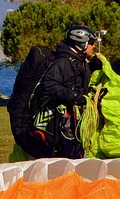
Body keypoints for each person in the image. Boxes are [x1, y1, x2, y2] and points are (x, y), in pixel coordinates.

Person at [34, 24, 100, 159]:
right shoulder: (64, 61)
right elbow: (49, 85)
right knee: (70, 157)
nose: (93, 46)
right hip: (64, 121)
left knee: (78, 153)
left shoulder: (79, 61)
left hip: (75, 119)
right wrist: (76, 97)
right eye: (91, 43)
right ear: (81, 44)